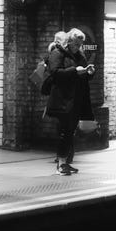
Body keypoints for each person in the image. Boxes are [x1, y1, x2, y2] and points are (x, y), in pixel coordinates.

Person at [43, 28, 95, 175]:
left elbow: (83, 74)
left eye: (80, 45)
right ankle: (61, 163)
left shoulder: (79, 55)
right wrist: (74, 71)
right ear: (69, 41)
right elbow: (55, 73)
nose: (78, 47)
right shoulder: (57, 53)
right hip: (62, 99)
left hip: (77, 99)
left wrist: (89, 72)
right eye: (76, 44)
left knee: (70, 132)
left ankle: (65, 162)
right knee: (64, 132)